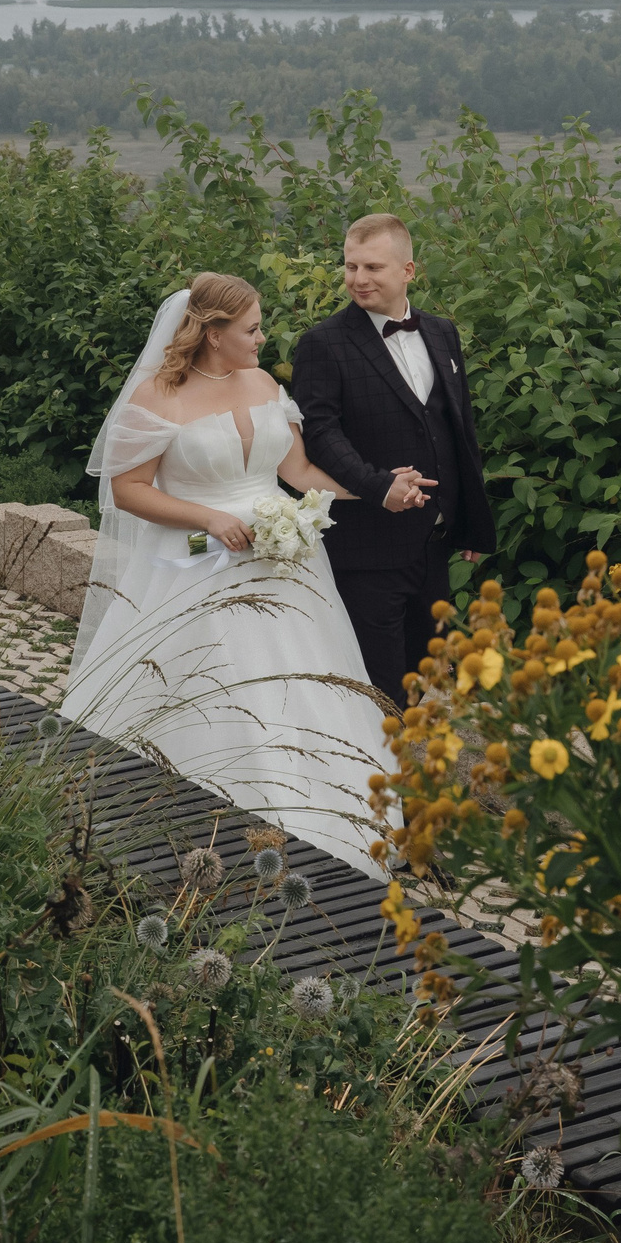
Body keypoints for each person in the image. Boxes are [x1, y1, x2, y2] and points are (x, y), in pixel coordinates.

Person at [62, 272, 393, 875]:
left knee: (306, 678)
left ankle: (324, 809)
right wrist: (209, 519)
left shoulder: (264, 383)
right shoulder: (157, 397)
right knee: (211, 681)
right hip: (193, 563)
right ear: (213, 334)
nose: (263, 339)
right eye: (252, 329)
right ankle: (189, 809)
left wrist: (377, 491)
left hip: (284, 561)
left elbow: (299, 471)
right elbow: (128, 490)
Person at [289, 213, 497, 708]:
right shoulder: (322, 344)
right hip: (366, 545)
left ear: (408, 270)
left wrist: (470, 520)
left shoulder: (443, 333)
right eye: (350, 266)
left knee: (424, 670)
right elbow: (320, 433)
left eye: (373, 267)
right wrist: (378, 486)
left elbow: (458, 429)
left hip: (433, 542)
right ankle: (373, 780)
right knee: (378, 687)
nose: (358, 279)